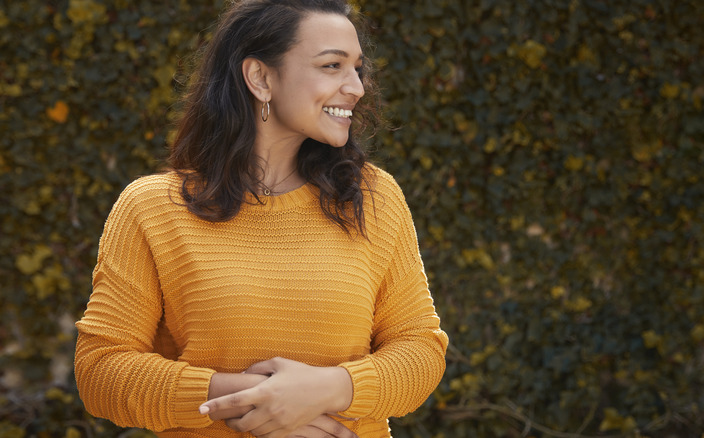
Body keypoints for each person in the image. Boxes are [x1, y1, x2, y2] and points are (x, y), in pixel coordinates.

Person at [74, 0, 448, 437]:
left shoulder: (373, 198)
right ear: (260, 78)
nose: (356, 87)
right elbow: (100, 372)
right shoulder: (152, 208)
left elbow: (421, 349)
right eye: (332, 66)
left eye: (357, 69)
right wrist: (257, 402)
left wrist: (330, 389)